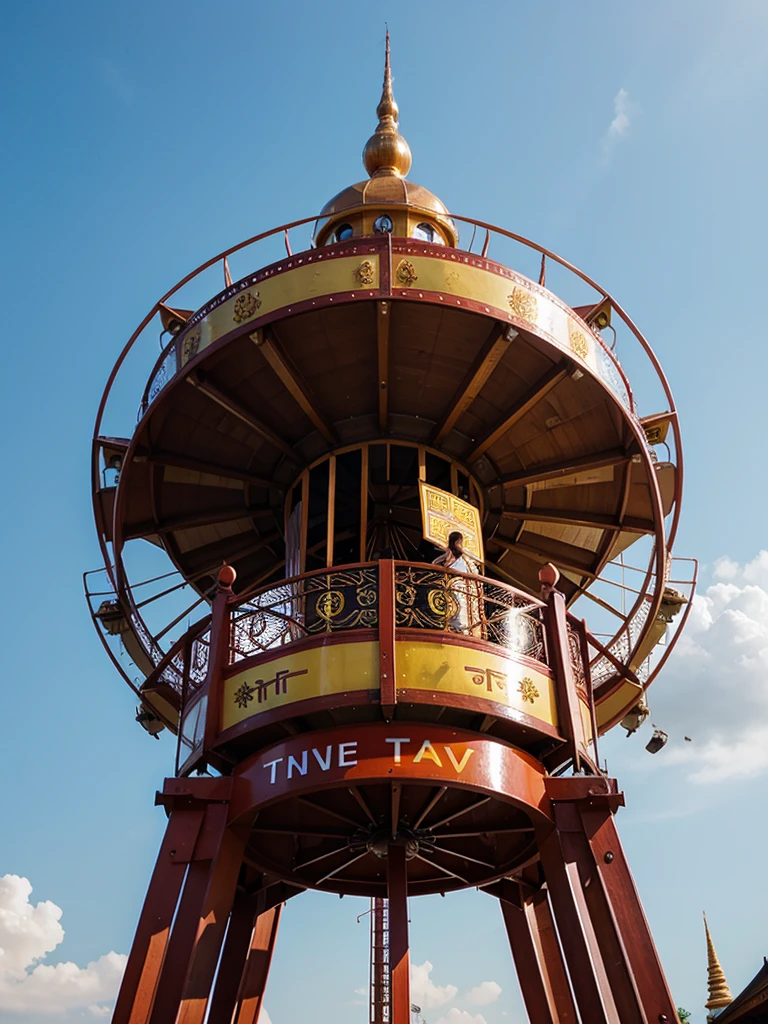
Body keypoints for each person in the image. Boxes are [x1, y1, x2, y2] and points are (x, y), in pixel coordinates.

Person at [432, 532, 480, 633]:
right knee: (456, 603)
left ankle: (462, 627)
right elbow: (446, 562)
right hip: (456, 581)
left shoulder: (463, 557)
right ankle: (457, 627)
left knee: (460, 604)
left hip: (461, 582)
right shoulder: (453, 553)